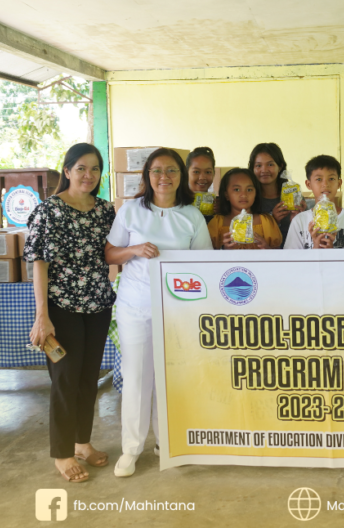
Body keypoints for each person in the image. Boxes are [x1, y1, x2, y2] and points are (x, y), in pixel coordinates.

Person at [105, 148, 212, 477]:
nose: (163, 177)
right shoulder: (131, 210)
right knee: (137, 374)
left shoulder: (191, 215)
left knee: (173, 376)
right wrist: (134, 250)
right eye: (156, 170)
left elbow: (203, 264)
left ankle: (167, 441)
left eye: (171, 171)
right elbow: (110, 253)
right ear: (146, 176)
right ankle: (131, 448)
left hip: (178, 308)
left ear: (182, 176)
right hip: (135, 304)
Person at [23, 143, 116, 483]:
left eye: (94, 169)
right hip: (61, 308)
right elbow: (39, 264)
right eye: (81, 168)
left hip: (97, 307)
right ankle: (62, 454)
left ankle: (83, 443)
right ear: (67, 171)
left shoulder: (106, 210)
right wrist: (41, 315)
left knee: (88, 379)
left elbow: (111, 253)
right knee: (65, 380)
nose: (88, 175)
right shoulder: (49, 210)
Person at [285, 155, 344, 249]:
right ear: (309, 185)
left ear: (339, 183)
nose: (325, 184)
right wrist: (316, 249)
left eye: (331, 179)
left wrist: (332, 254)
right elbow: (291, 259)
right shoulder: (300, 221)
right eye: (319, 179)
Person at [207, 168, 283, 250]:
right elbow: (205, 256)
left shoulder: (266, 221)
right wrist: (224, 249)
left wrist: (266, 248)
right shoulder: (217, 223)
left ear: (256, 193)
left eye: (249, 190)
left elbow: (278, 253)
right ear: (226, 195)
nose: (244, 195)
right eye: (237, 189)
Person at [249, 143, 304, 247]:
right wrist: (271, 221)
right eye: (258, 165)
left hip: (293, 257)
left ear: (280, 167)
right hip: (262, 259)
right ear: (252, 168)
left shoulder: (294, 195)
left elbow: (306, 234)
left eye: (270, 164)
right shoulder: (248, 199)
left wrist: (302, 217)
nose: (264, 170)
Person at [186, 146, 217, 223]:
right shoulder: (177, 201)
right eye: (196, 172)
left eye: (208, 172)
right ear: (186, 173)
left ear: (214, 173)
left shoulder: (218, 204)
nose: (202, 177)